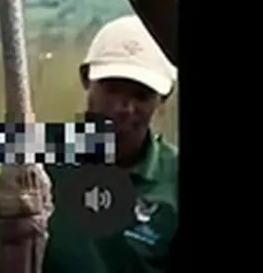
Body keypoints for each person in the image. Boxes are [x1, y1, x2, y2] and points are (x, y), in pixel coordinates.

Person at [43, 14, 178, 272]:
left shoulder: (173, 178)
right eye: (113, 89)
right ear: (86, 79)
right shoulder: (37, 153)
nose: (124, 108)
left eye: (141, 95)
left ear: (164, 98)